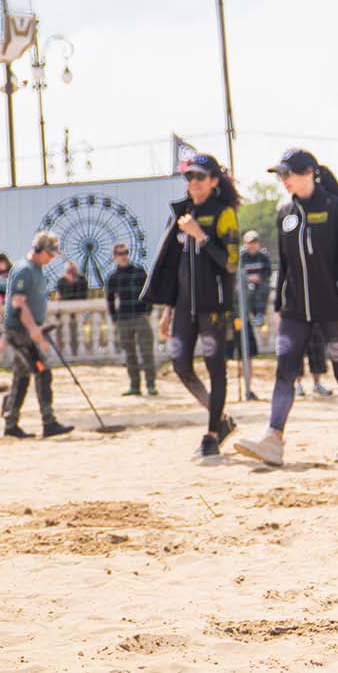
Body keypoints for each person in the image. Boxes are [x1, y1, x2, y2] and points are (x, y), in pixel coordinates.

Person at [235, 150, 338, 467]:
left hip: (334, 309)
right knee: (285, 370)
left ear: (308, 173)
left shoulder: (335, 208)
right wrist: (279, 305)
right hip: (295, 311)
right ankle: (273, 438)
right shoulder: (285, 213)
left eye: (287, 174)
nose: (283, 180)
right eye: (280, 175)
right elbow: (285, 263)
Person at [144, 153, 240, 461]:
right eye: (189, 177)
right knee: (180, 365)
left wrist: (200, 235)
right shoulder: (182, 215)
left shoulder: (224, 214)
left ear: (213, 181)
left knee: (215, 368)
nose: (193, 182)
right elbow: (175, 269)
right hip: (184, 308)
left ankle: (211, 434)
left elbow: (231, 262)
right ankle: (221, 417)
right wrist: (168, 310)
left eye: (200, 176)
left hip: (214, 309)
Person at [1, 233, 71, 439]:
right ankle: (48, 422)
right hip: (21, 333)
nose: (52, 258)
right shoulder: (24, 270)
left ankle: (11, 422)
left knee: (21, 377)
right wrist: (34, 330)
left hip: (29, 330)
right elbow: (18, 303)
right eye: (50, 253)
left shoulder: (37, 270)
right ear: (39, 250)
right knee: (42, 371)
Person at [104, 241, 156, 396]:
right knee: (129, 354)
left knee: (147, 352)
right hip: (123, 319)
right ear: (114, 257)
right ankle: (135, 386)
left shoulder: (139, 271)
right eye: (120, 254)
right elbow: (110, 300)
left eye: (126, 252)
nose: (124, 256)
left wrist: (148, 311)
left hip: (140, 317)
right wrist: (114, 318)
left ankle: (151, 384)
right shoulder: (112, 277)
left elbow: (149, 292)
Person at [239, 229, 272, 365]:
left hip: (260, 291)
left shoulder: (263, 256)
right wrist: (248, 279)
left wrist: (256, 278)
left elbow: (267, 273)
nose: (252, 245)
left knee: (261, 289)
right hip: (245, 290)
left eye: (254, 242)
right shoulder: (241, 256)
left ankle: (260, 316)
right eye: (249, 243)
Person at [54, 258, 88, 356]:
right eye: (68, 271)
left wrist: (73, 283)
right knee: (61, 334)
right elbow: (58, 296)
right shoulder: (61, 281)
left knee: (75, 334)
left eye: (72, 271)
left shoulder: (81, 280)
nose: (70, 273)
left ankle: (75, 353)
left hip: (76, 313)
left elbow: (83, 296)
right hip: (63, 312)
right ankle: (61, 353)